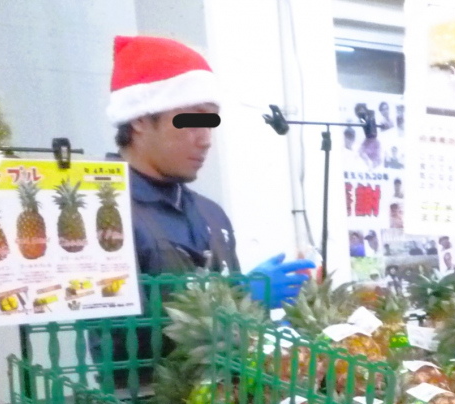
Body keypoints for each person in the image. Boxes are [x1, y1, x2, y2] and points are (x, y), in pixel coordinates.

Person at [106, 35, 313, 299]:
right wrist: (244, 296)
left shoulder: (212, 215)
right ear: (139, 120)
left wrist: (248, 307)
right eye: (192, 121)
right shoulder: (104, 215)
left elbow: (236, 320)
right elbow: (112, 321)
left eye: (211, 122)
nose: (206, 140)